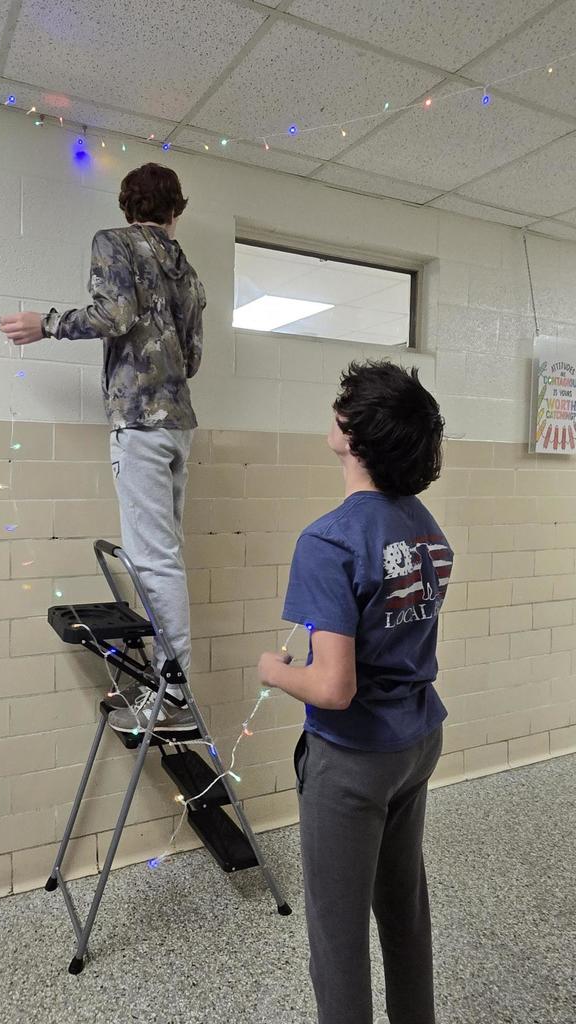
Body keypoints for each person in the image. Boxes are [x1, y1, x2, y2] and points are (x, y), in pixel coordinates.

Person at [258, 360, 452, 1024]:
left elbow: (333, 687)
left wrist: (273, 670)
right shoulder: (422, 524)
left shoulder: (328, 540)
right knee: (404, 912)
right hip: (418, 741)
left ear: (351, 431)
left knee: (337, 941)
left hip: (354, 760)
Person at [0, 163, 206, 734]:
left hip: (139, 420)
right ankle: (172, 686)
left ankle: (173, 694)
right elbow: (191, 360)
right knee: (163, 554)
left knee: (152, 558)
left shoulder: (113, 242)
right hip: (177, 424)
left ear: (127, 207)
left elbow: (113, 314)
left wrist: (46, 324)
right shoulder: (186, 270)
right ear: (175, 210)